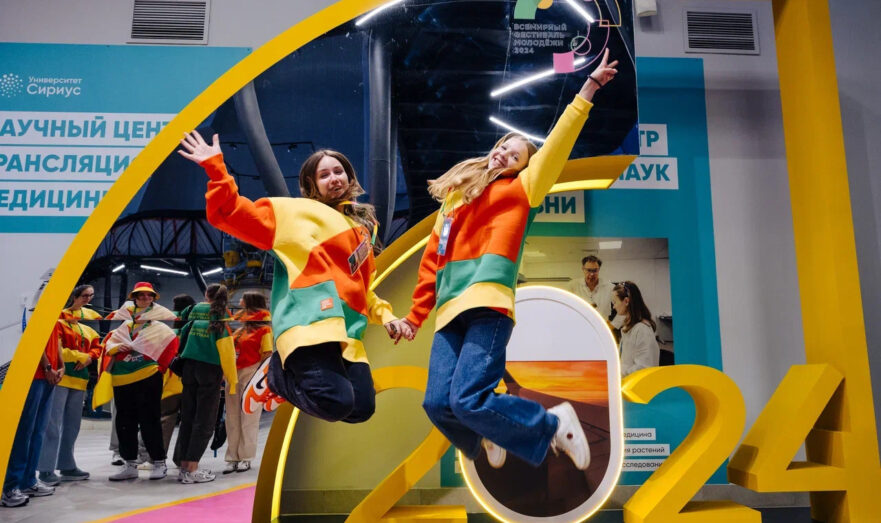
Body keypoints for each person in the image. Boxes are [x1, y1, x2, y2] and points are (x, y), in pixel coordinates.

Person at [394, 49, 619, 471]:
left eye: (515, 156)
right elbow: (432, 262)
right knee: (437, 403)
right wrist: (414, 317)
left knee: (467, 398)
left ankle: (553, 423)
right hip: (449, 312)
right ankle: (487, 434)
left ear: (521, 168)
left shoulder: (522, 190)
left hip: (489, 306)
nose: (504, 155)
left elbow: (556, 146)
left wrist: (587, 90)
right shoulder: (455, 199)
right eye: (503, 147)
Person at [178, 135, 405, 426]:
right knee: (336, 402)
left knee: (362, 408)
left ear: (350, 177)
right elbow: (231, 213)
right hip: (308, 324)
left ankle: (279, 381)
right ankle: (275, 375)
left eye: (339, 171)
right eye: (324, 175)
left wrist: (387, 317)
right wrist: (216, 168)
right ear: (312, 185)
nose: (334, 178)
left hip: (347, 335)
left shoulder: (363, 231)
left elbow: (363, 289)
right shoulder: (297, 213)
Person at [102, 282, 178, 481]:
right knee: (124, 423)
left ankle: (159, 462)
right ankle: (130, 464)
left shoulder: (159, 327)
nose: (145, 298)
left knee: (150, 420)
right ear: (134, 298)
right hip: (122, 378)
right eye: (141, 295)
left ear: (153, 299)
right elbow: (108, 344)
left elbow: (171, 345)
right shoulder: (124, 326)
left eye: (148, 295)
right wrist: (117, 348)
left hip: (148, 377)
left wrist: (159, 368)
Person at [37, 285, 103, 485]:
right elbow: (57, 350)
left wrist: (89, 357)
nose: (87, 299)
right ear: (75, 296)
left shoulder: (87, 329)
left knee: (72, 426)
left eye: (91, 296)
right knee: (52, 425)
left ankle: (66, 465)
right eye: (84, 295)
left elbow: (97, 348)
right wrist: (82, 356)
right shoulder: (59, 322)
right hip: (60, 378)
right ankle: (45, 469)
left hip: (80, 380)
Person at [173, 283, 237, 483]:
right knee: (205, 421)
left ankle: (184, 466)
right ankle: (192, 469)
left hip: (188, 368)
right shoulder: (222, 317)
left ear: (206, 295)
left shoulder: (191, 311)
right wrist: (232, 380)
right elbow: (227, 351)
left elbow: (178, 334)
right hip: (210, 371)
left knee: (188, 418)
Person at [2, 323, 64, 507]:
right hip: (33, 375)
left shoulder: (54, 318)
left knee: (38, 432)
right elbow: (32, 337)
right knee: (24, 432)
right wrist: (47, 366)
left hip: (48, 376)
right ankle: (9, 486)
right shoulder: (32, 311)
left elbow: (56, 341)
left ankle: (28, 481)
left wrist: (61, 365)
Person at [223, 291, 272, 474]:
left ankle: (246, 457)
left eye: (243, 299)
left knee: (249, 419)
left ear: (250, 302)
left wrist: (261, 380)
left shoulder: (265, 330)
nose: (240, 301)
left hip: (252, 373)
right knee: (232, 418)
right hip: (233, 375)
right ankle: (232, 457)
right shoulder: (240, 329)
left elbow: (267, 355)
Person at [612, 281, 660, 377]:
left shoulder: (642, 330)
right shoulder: (629, 327)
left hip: (637, 384)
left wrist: (616, 375)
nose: (614, 306)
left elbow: (643, 368)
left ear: (626, 301)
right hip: (627, 381)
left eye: (615, 302)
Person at [569, 255, 614, 320]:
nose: (592, 274)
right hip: (579, 323)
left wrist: (614, 324)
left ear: (599, 270)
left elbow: (624, 307)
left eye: (595, 270)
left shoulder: (609, 287)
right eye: (589, 270)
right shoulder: (572, 286)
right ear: (583, 269)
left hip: (601, 324)